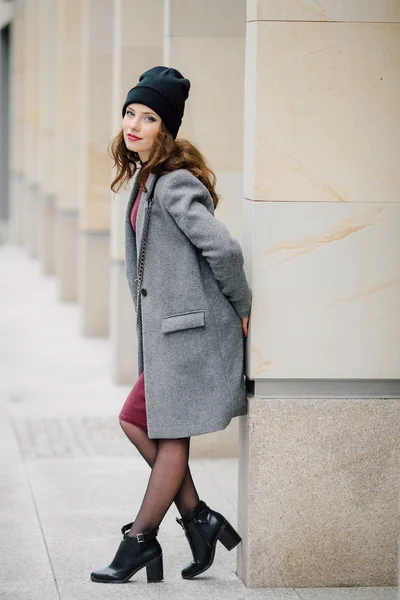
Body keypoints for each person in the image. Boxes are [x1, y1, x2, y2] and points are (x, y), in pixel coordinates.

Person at [90, 66, 252, 585]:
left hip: (190, 334)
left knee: (160, 429)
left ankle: (140, 539)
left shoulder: (175, 181)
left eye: (149, 116)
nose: (134, 124)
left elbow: (223, 248)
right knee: (136, 419)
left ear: (167, 127)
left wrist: (242, 304)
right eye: (130, 112)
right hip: (171, 335)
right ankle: (199, 519)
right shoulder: (146, 177)